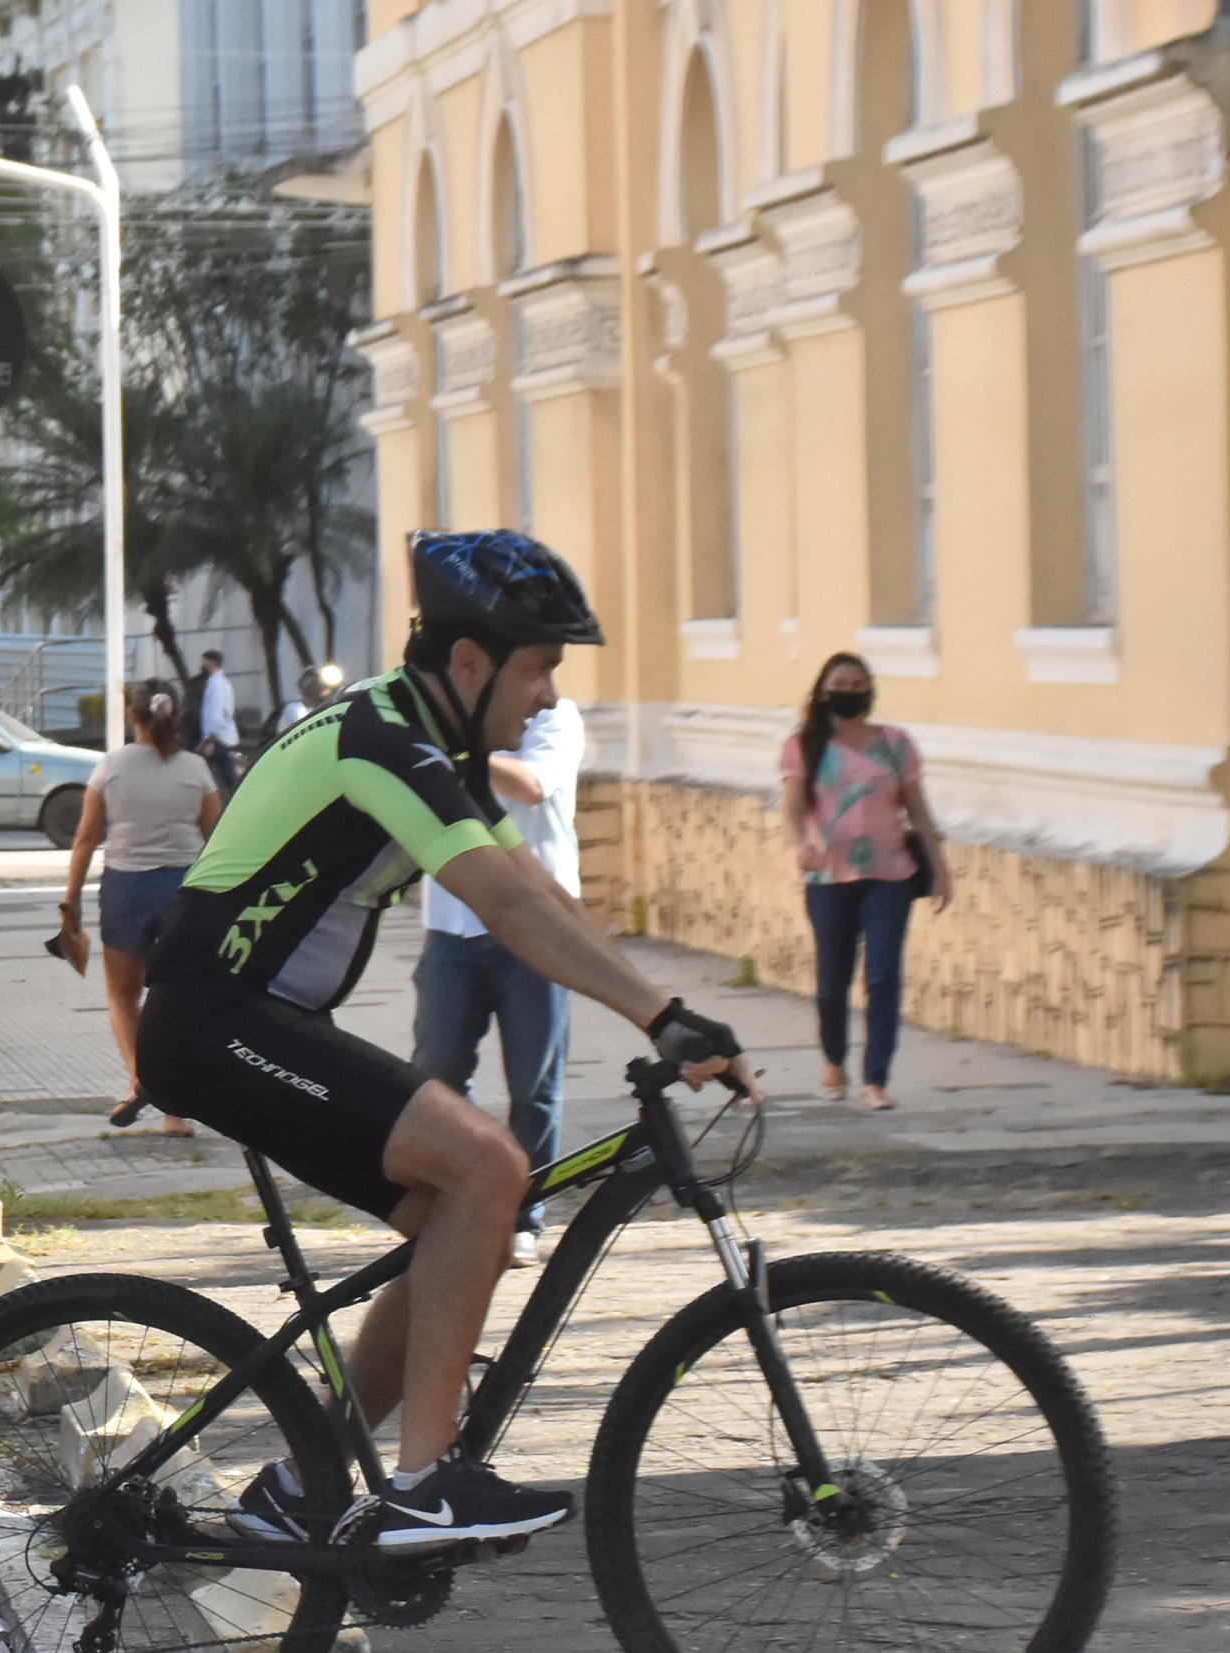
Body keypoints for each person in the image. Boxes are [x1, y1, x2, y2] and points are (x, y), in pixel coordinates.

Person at [137, 529, 748, 1548]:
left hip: (253, 1018)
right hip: (215, 1018)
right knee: (486, 1164)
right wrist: (657, 1019)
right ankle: (425, 1483)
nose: (547, 698)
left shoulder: (424, 741)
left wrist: (664, 1004)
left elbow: (539, 889)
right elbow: (503, 902)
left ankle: (308, 1481)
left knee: (454, 1221)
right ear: (468, 663)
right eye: (539, 668)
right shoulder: (384, 736)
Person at [412, 693, 586, 1270]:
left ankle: (524, 1217)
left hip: (536, 930)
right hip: (452, 922)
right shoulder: (446, 720)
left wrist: (455, 754)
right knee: (437, 1074)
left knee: (534, 1084)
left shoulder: (553, 717)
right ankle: (457, 1202)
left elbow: (533, 785)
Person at [780, 652, 949, 1111]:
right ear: (823, 690)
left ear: (870, 691)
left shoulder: (895, 744)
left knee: (882, 976)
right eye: (840, 683)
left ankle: (876, 1079)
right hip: (828, 876)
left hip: (890, 874)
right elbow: (793, 808)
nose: (849, 691)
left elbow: (917, 808)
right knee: (832, 980)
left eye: (858, 684)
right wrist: (799, 844)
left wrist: (941, 867)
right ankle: (834, 1062)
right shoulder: (806, 745)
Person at [51, 680, 221, 1134]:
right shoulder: (197, 770)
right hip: (185, 891)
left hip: (126, 892)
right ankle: (174, 1111)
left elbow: (86, 837)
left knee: (124, 995)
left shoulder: (112, 767)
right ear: (177, 718)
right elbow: (219, 841)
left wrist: (70, 900)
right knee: (177, 997)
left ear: (134, 717)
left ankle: (137, 1082)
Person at [194, 650, 241, 795]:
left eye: (205, 660)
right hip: (222, 735)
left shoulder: (216, 685)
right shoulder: (222, 683)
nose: (202, 664)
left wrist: (210, 739)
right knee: (226, 774)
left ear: (212, 662)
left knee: (222, 777)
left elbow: (214, 714)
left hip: (217, 737)